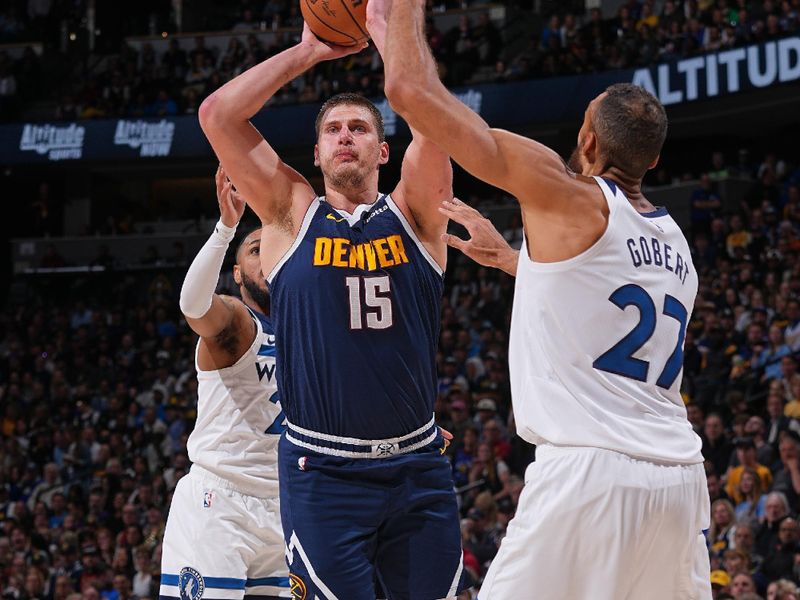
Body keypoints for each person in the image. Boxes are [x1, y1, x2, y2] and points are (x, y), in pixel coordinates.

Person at [369, 1, 710, 597]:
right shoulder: (677, 244)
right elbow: (601, 306)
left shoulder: (568, 196)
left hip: (590, 475)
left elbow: (408, 90)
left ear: (585, 136)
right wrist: (509, 258)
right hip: (680, 483)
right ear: (653, 160)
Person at [198, 19, 464, 600]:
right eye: (335, 130)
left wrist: (393, 35)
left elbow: (437, 117)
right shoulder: (290, 214)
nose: (347, 136)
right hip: (324, 475)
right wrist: (308, 50)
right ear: (316, 153)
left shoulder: (417, 213)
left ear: (383, 149)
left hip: (418, 467)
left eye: (361, 128)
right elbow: (218, 115)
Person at [159, 167, 289, 600]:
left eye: (273, 248)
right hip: (220, 501)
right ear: (236, 272)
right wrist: (226, 228)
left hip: (284, 506)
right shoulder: (237, 319)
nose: (266, 256)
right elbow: (193, 305)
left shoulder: (307, 332)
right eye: (254, 250)